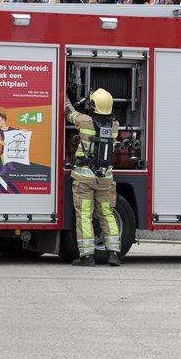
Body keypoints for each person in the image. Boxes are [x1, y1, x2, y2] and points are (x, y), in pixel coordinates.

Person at [65, 88, 121, 267]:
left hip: (84, 180)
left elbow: (69, 113)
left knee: (84, 215)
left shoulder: (85, 121)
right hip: (105, 179)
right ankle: (114, 254)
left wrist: (64, 95)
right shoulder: (114, 126)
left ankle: (87, 256)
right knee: (106, 213)